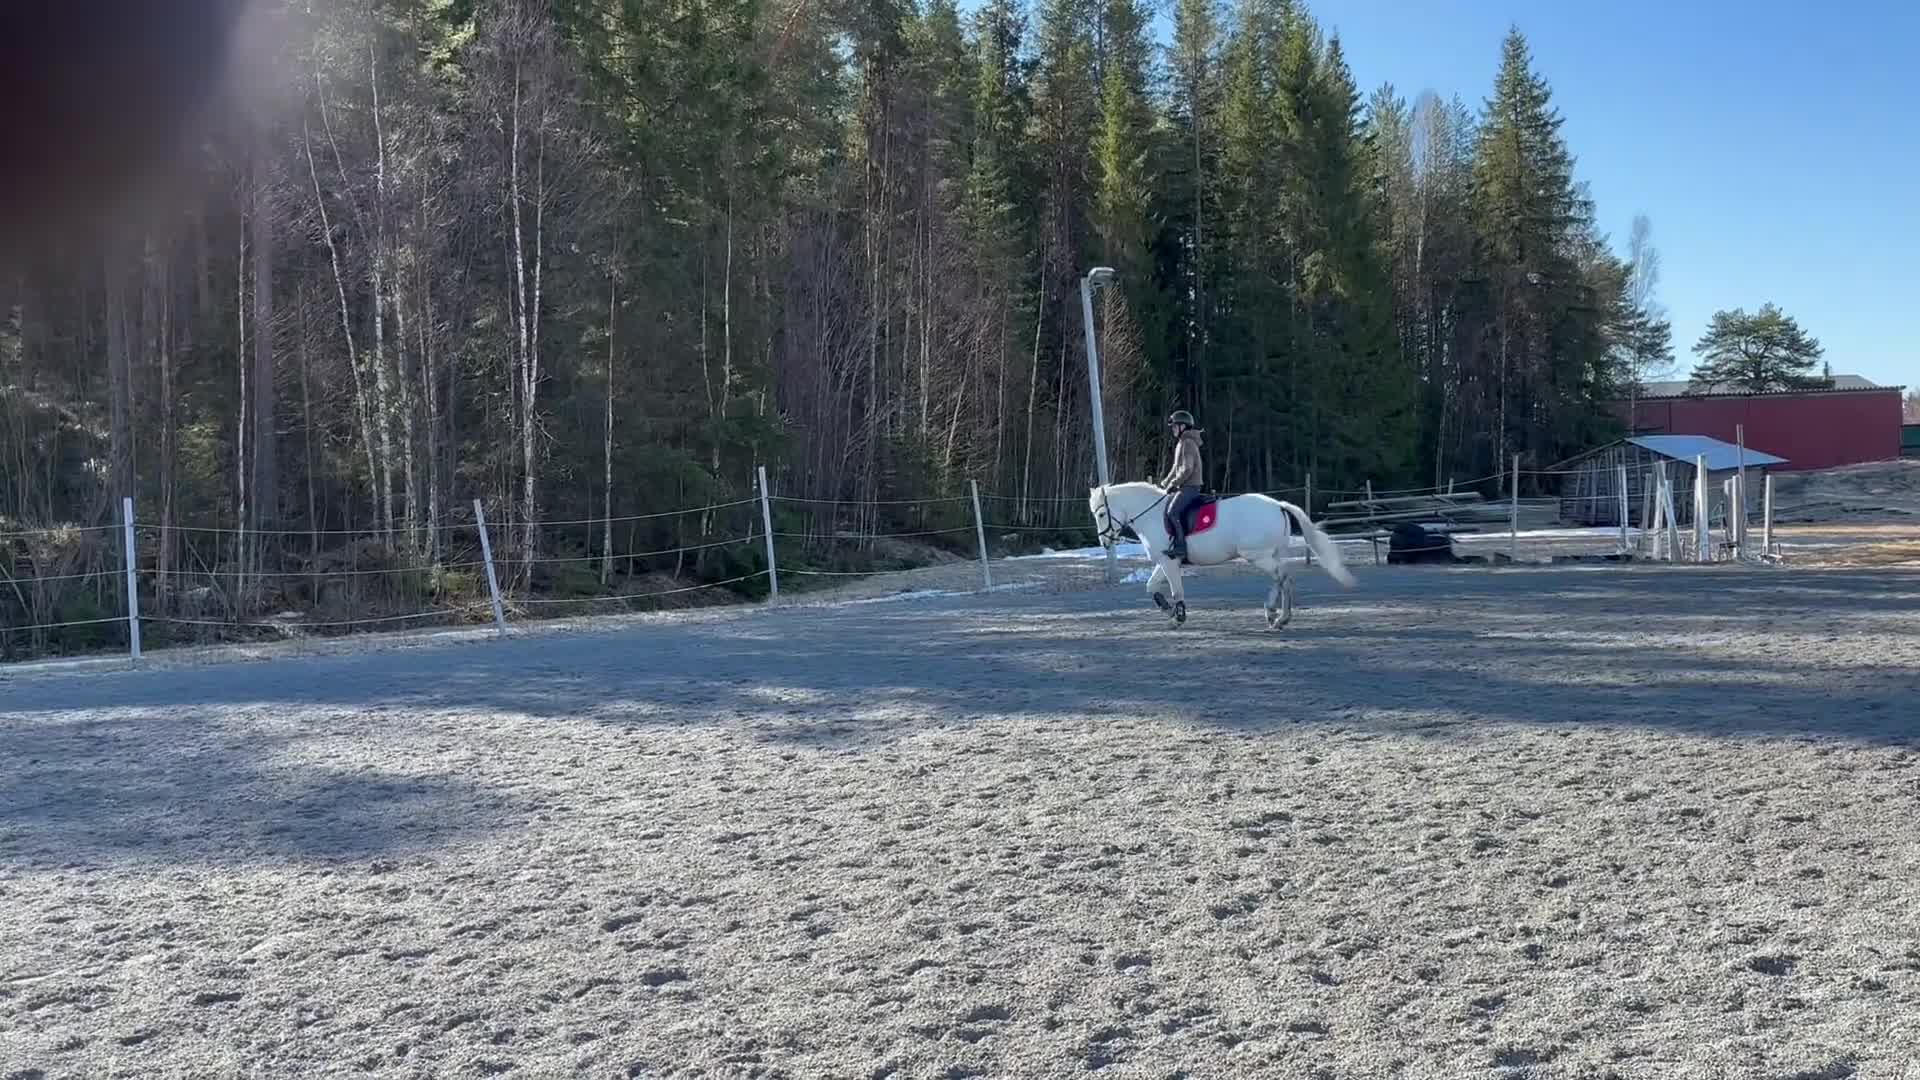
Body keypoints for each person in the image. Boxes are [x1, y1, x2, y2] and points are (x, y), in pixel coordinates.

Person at [1159, 410, 1205, 560]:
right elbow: (1175, 467)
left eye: (1174, 426)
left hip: (1190, 487)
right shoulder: (1181, 443)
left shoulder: (1188, 443)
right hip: (1184, 486)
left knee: (1172, 512)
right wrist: (1165, 482)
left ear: (1183, 426)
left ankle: (1181, 547)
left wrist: (1174, 483)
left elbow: (1187, 468)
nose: (1172, 429)